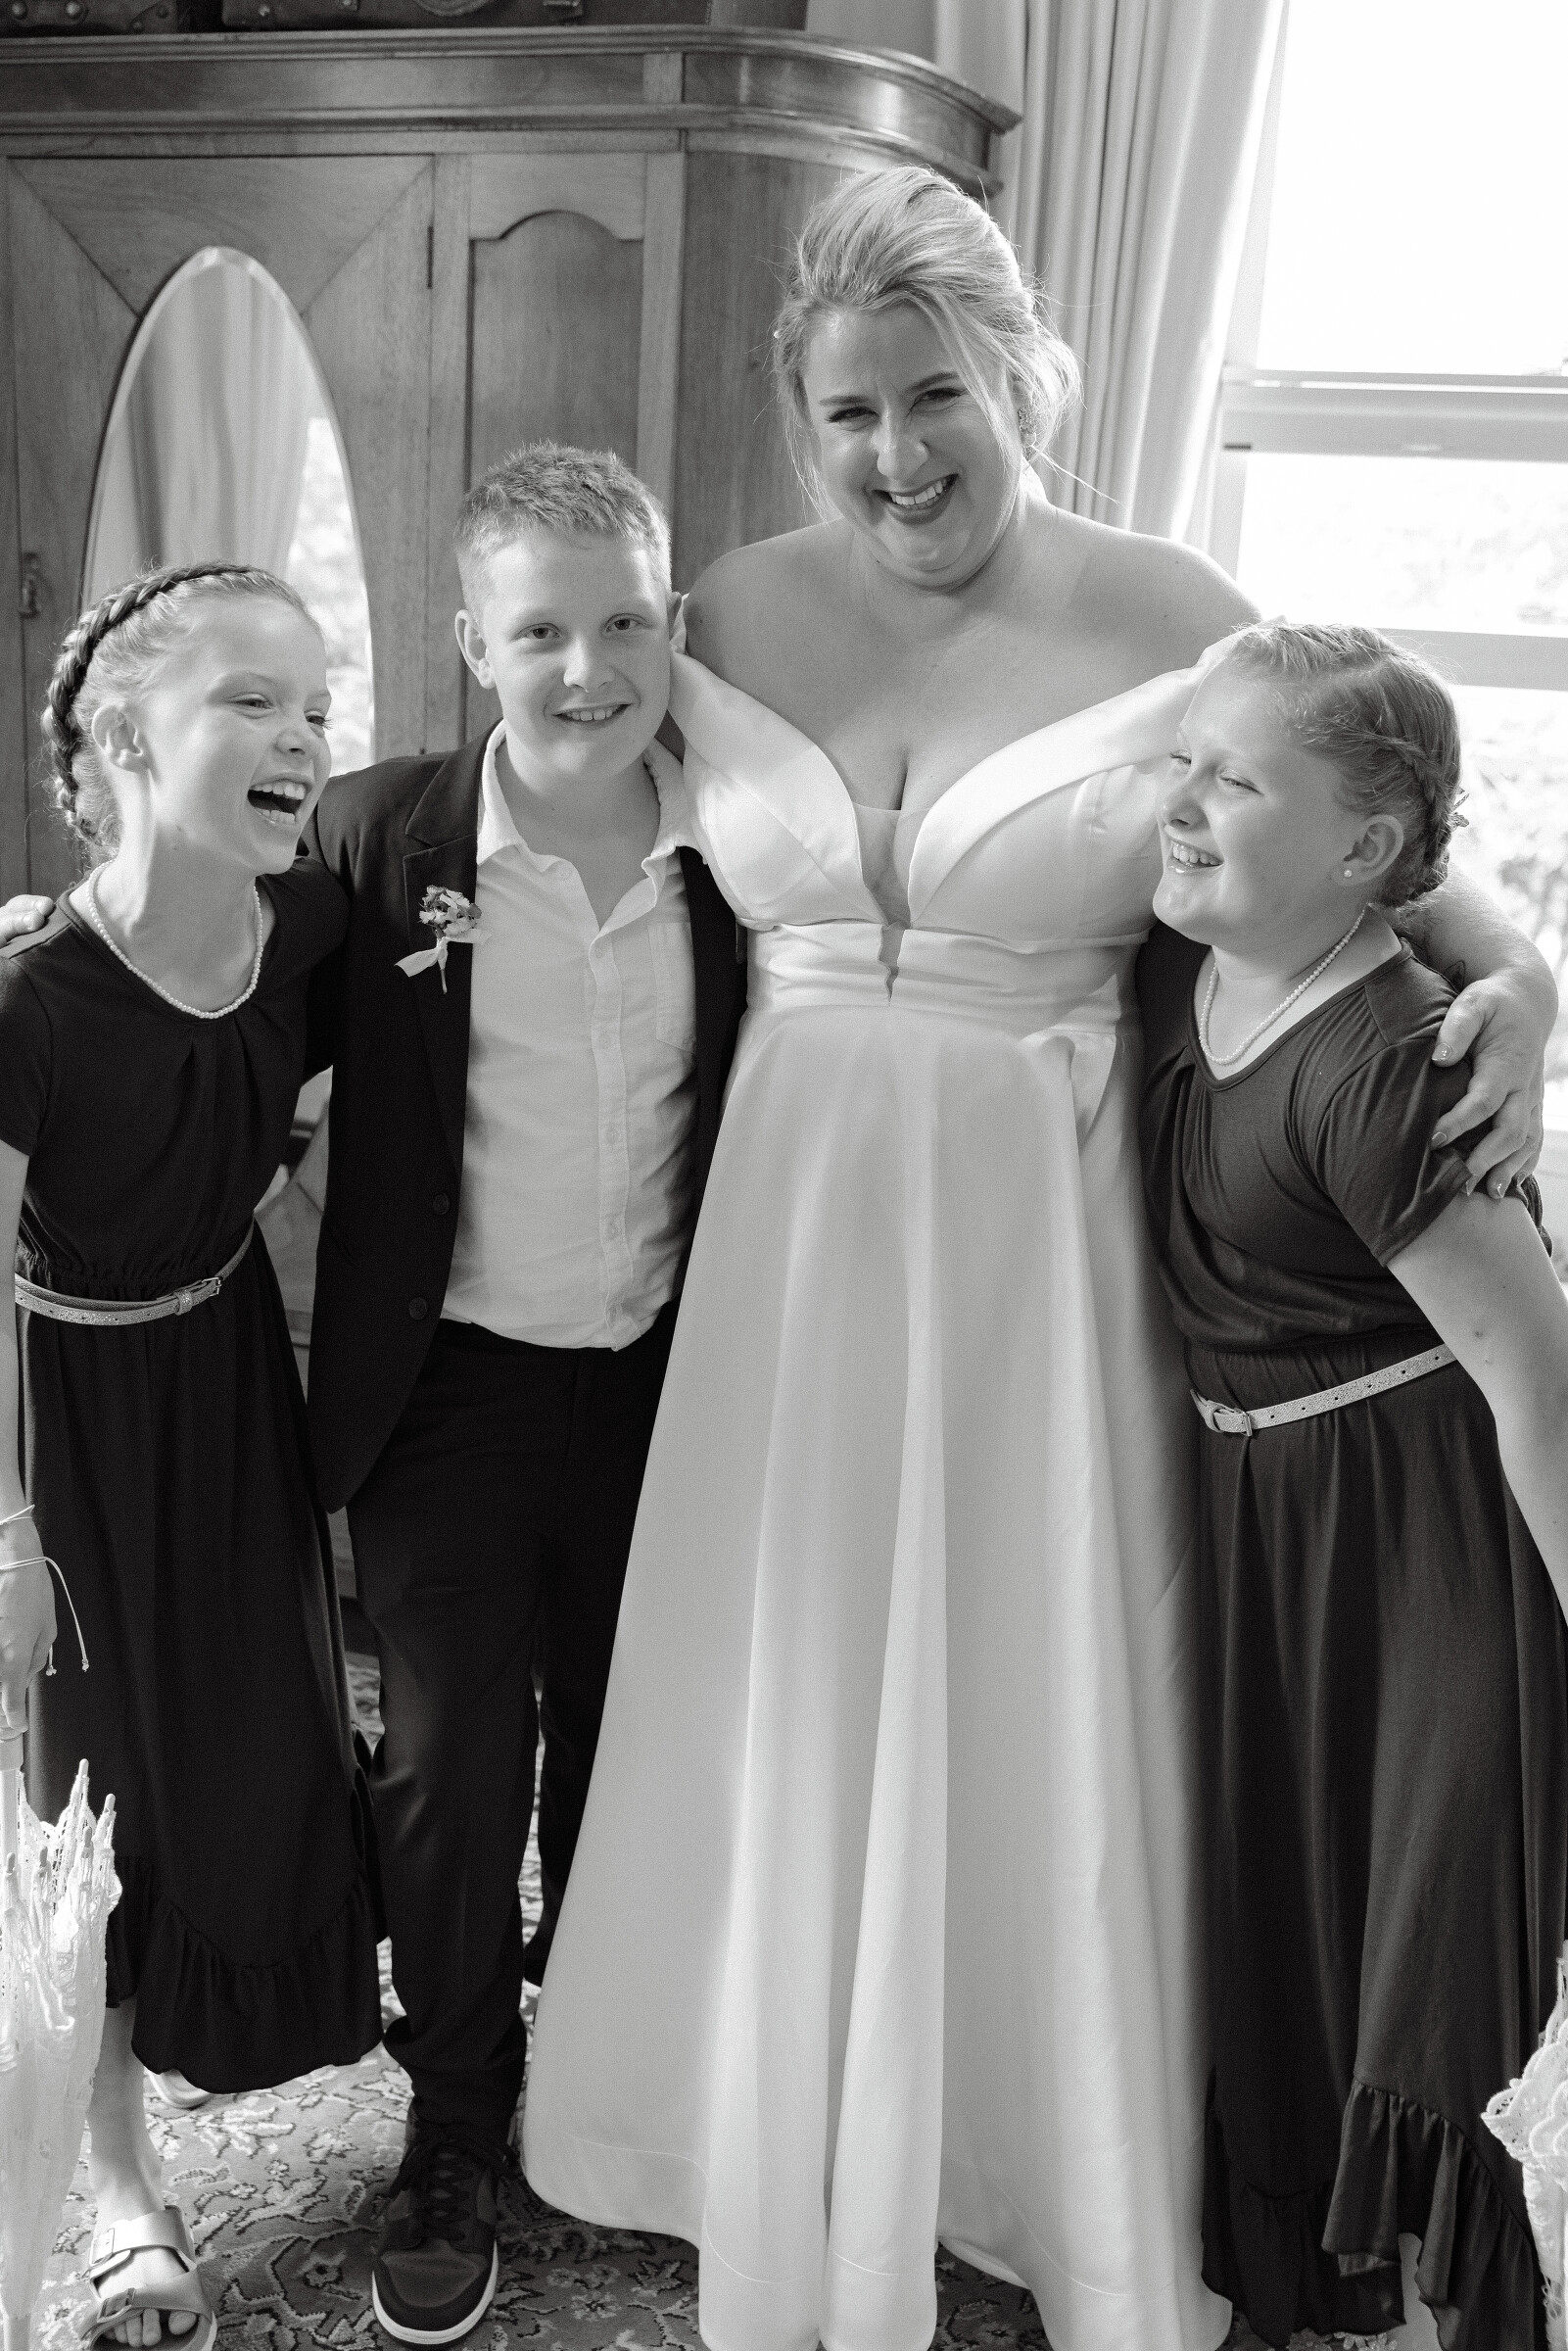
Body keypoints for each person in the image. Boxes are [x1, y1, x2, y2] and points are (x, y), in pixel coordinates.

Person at [520, 169, 1558, 2351]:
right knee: (789, 1670)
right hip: (793, 1244)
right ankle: (766, 2115)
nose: (895, 454)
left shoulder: (1171, 604)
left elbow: (1372, 818)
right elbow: (530, 791)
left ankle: (1037, 2152)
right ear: (799, 421)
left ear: (1021, 381)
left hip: (1046, 1246)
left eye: (936, 399)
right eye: (847, 413)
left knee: (1036, 1684)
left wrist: (1530, 987)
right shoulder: (721, 610)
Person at [298, 446, 746, 2344]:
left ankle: (626, 2078)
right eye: (542, 629)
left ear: (674, 626)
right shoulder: (372, 836)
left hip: (672, 1381)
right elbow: (222, 1007)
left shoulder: (744, 851)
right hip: (450, 1389)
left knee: (638, 1749)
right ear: (473, 640)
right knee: (449, 1769)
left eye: (626, 621)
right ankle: (457, 2123)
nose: (588, 667)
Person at [1137, 621, 1568, 2351]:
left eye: (1232, 781)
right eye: (1181, 759)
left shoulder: (1391, 1064)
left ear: (1363, 848)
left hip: (1419, 1543)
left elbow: (1537, 1381)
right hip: (1267, 1529)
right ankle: (1305, 2286)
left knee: (1425, 1966)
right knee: (1289, 1920)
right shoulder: (1199, 949)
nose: (1177, 802)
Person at [0, 562, 381, 2351]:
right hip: (60, 1413)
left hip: (223, 1380)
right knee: (89, 1796)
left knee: (248, 1749)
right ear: (124, 740)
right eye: (250, 698)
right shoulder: (28, 1001)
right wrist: (6, 1533)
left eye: (315, 704)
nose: (301, 733)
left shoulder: (309, 933)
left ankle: (243, 2032)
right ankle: (122, 2189)